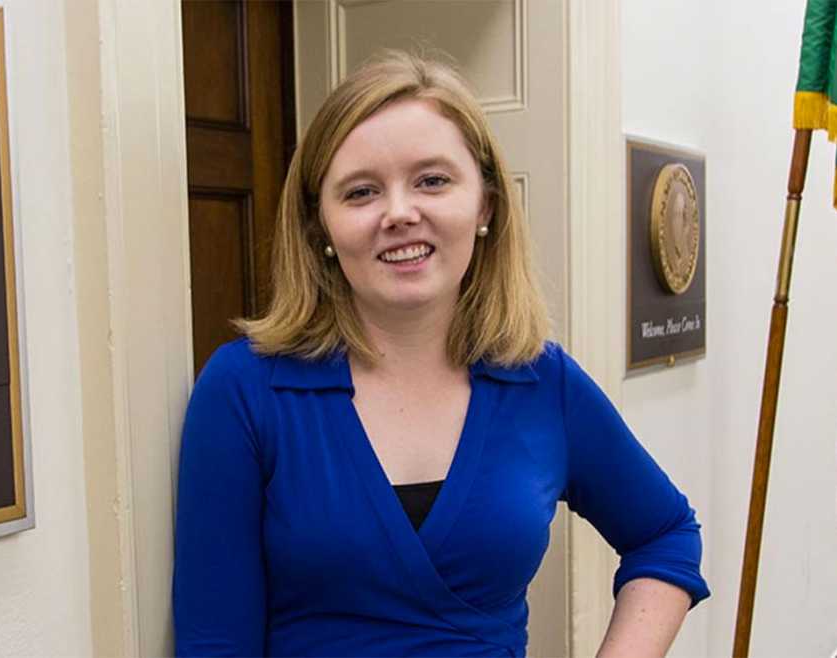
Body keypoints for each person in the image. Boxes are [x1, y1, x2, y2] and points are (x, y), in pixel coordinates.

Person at [173, 50, 708, 657]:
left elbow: (665, 534)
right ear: (320, 224)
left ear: (484, 204)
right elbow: (215, 642)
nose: (400, 213)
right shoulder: (245, 390)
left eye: (432, 180)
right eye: (361, 191)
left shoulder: (541, 381)